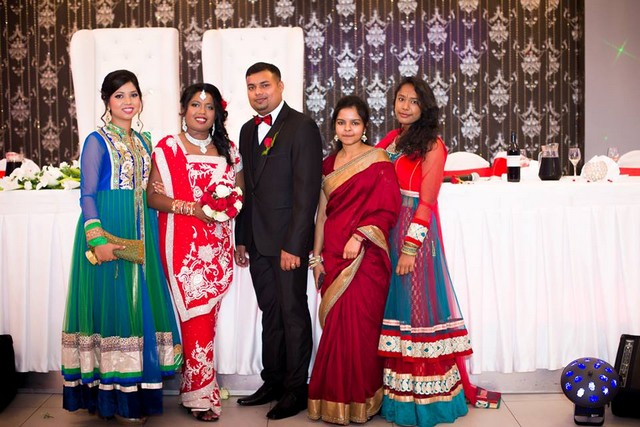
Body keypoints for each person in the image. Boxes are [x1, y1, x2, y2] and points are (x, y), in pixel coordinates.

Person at [376, 76, 501, 427]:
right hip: (389, 230)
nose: (405, 106)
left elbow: (427, 202)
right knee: (398, 313)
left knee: (418, 314)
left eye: (413, 101)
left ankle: (427, 402)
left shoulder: (432, 145)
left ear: (425, 107)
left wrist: (410, 248)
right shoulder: (392, 139)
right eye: (401, 99)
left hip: (414, 236)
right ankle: (399, 396)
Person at [61, 69, 182, 425]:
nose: (128, 102)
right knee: (115, 308)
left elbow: (150, 188)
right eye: (119, 96)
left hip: (143, 232)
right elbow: (87, 194)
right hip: (109, 231)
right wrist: (98, 239)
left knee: (139, 307)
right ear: (107, 101)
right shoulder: (96, 141)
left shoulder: (144, 141)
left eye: (133, 94)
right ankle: (116, 399)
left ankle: (136, 394)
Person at [147, 83, 244, 422]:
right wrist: (192, 208)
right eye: (195, 105)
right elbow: (153, 197)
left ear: (218, 113)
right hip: (182, 246)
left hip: (217, 246)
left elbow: (240, 192)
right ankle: (202, 396)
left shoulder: (229, 150)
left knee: (207, 319)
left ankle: (195, 388)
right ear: (183, 109)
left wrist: (226, 205)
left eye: (209, 106)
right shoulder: (168, 148)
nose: (202, 111)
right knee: (195, 317)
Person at [234, 62, 323, 420]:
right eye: (251, 87)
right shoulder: (246, 130)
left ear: (281, 86)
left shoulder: (302, 127)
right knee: (269, 313)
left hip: (287, 243)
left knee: (292, 313)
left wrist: (294, 245)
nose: (258, 92)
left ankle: (296, 390)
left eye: (264, 85)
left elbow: (307, 193)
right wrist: (242, 237)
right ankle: (272, 381)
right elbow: (248, 190)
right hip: (256, 241)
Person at [307, 96, 401, 425]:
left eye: (355, 123)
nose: (348, 129)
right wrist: (316, 259)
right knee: (336, 329)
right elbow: (321, 216)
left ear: (365, 127)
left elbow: (388, 208)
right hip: (333, 254)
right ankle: (332, 399)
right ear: (334, 127)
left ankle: (362, 400)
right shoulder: (327, 165)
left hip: (366, 256)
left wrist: (359, 236)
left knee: (361, 329)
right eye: (342, 122)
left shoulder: (378, 160)